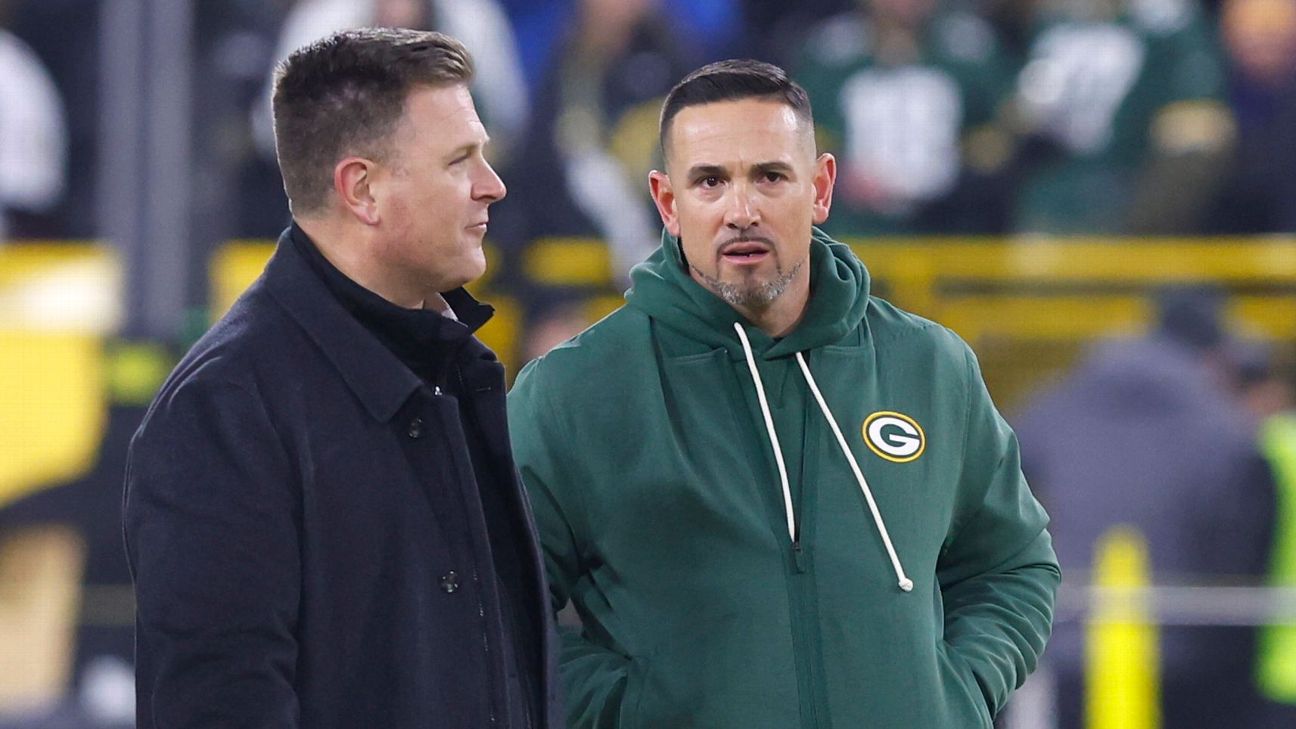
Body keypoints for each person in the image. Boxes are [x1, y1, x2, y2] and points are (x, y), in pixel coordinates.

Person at [507, 58, 1059, 728]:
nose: (741, 211)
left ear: (820, 188)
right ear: (668, 203)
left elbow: (1013, 564)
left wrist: (954, 689)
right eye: (710, 181)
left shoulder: (930, 367)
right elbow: (498, 605)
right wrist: (629, 711)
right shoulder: (574, 391)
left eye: (769, 176)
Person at [124, 28, 560, 728]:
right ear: (363, 189)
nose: (493, 185)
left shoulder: (457, 369)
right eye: (460, 161)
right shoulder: (225, 410)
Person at [1014, 286, 1278, 729]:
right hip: (1190, 654)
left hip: (1064, 642)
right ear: (1213, 354)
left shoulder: (1051, 407)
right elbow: (1238, 546)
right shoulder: (1226, 429)